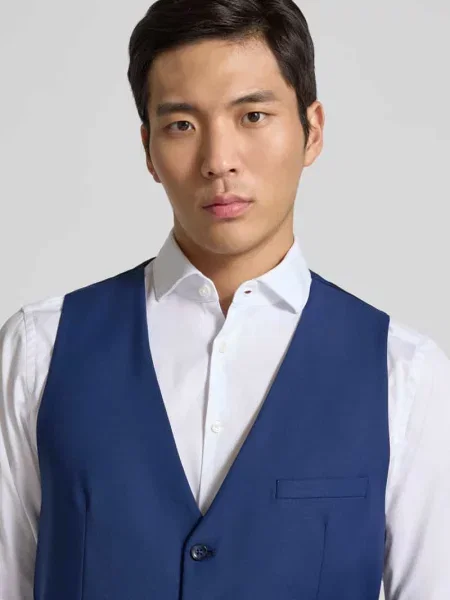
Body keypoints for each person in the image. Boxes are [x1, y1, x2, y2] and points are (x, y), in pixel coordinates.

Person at [1, 0, 449, 598]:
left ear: (312, 130)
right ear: (148, 149)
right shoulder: (39, 350)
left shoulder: (405, 374)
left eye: (253, 116)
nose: (218, 161)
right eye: (182, 125)